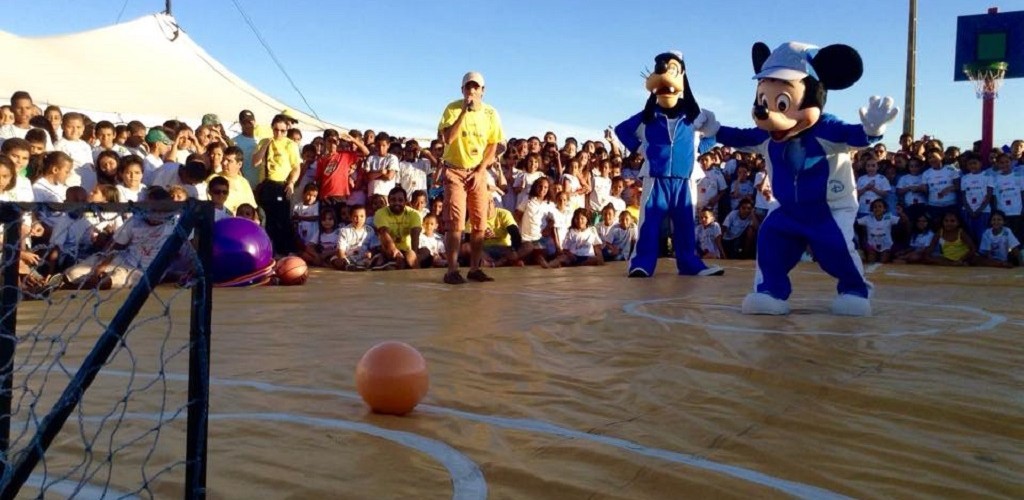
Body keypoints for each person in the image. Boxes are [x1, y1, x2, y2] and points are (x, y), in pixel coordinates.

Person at [437, 71, 504, 284]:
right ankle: (452, 270)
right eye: (468, 87)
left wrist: (481, 169)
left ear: (483, 91)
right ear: (462, 90)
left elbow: (494, 144)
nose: (472, 91)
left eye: (476, 87)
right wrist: (464, 113)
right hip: (455, 170)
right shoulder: (452, 108)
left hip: (478, 171)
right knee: (455, 222)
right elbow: (448, 138)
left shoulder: (492, 113)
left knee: (479, 223)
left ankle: (475, 268)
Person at [252, 114, 301, 256]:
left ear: (287, 130)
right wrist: (265, 146)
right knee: (266, 219)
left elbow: (296, 167)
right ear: (272, 128)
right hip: (266, 185)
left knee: (282, 220)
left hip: (281, 185)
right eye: (276, 130)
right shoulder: (264, 142)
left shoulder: (290, 145)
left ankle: (283, 253)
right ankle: (267, 252)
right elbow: (255, 162)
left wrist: (291, 182)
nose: (279, 133)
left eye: (282, 131)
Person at [373, 186, 422, 270]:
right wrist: (395, 251)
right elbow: (384, 233)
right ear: (388, 201)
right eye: (393, 200)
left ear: (405, 202)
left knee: (414, 256)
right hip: (388, 250)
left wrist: (414, 254)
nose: (397, 203)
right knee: (397, 260)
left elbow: (415, 235)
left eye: (400, 200)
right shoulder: (380, 213)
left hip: (408, 250)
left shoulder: (414, 214)